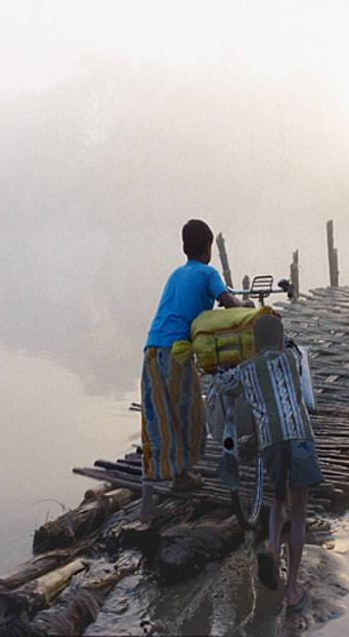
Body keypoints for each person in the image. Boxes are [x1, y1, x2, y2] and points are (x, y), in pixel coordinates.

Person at [140, 219, 249, 523]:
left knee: (157, 418)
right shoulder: (208, 273)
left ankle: (150, 499)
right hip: (176, 352)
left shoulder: (176, 274)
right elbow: (228, 303)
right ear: (208, 248)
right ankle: (182, 474)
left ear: (184, 247)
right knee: (188, 413)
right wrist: (247, 307)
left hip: (152, 349)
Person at [229, 314, 322, 612]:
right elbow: (293, 352)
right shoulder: (291, 359)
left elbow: (225, 387)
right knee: (299, 511)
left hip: (270, 442)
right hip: (299, 437)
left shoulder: (245, 370)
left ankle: (271, 546)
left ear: (254, 345)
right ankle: (292, 590)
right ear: (281, 340)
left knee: (277, 498)